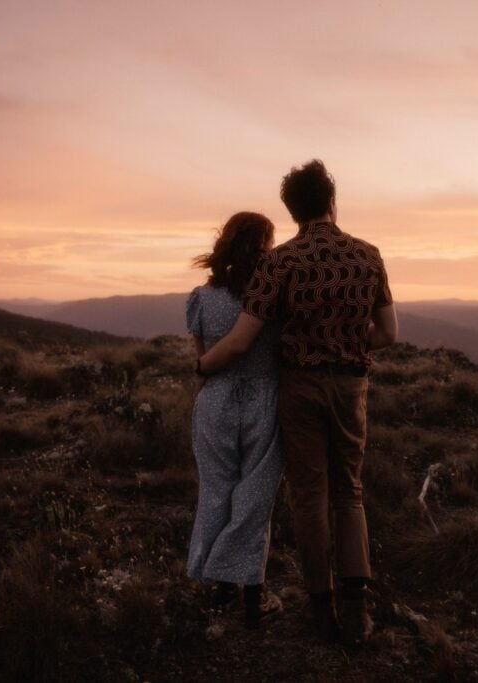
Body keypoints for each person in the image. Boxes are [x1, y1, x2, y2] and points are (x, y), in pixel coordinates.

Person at [196, 160, 398, 645]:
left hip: (298, 387)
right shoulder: (367, 256)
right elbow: (388, 333)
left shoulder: (279, 262)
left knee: (308, 496)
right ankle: (357, 610)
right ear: (332, 200)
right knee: (348, 492)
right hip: (349, 388)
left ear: (292, 211)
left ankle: (320, 608)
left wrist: (202, 366)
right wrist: (346, 348)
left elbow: (244, 338)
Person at [185, 211, 284, 629]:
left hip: (217, 398)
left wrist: (203, 386)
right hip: (265, 396)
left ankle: (218, 582)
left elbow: (202, 355)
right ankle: (253, 594)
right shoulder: (274, 294)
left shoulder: (201, 298)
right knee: (255, 497)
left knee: (216, 490)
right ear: (265, 245)